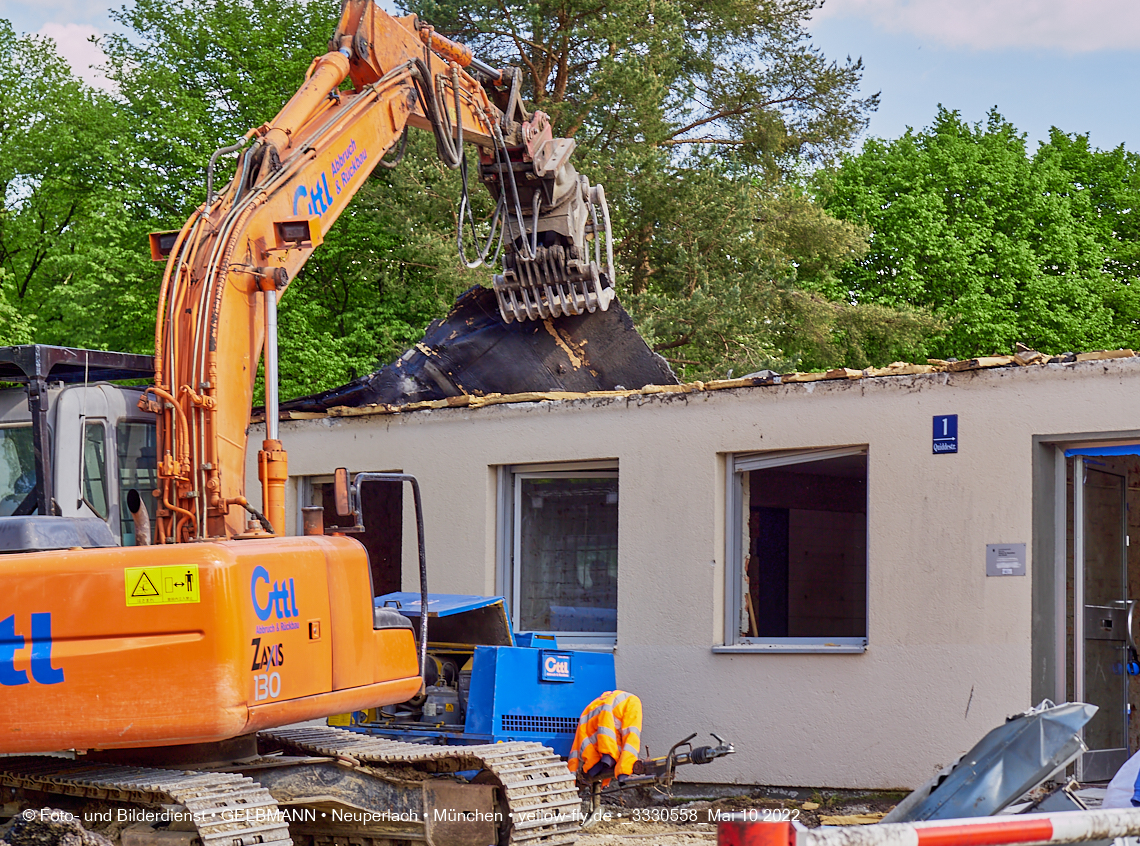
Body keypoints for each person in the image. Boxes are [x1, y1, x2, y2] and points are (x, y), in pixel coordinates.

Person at [567, 690, 643, 786]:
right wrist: (624, 772)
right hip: (606, 751)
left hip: (595, 758)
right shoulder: (632, 702)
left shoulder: (593, 706)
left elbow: (577, 745)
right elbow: (631, 737)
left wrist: (571, 779)